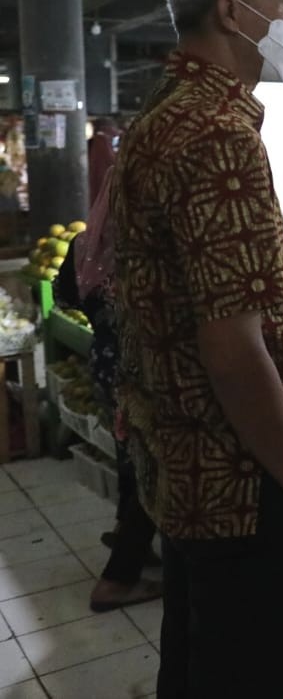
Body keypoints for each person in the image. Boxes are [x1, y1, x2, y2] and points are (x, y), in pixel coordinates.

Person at [111, 0, 283, 699]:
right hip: (247, 489)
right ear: (231, 13)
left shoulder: (158, 118)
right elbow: (233, 347)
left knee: (201, 669)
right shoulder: (217, 136)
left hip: (188, 475)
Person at [52, 170, 162, 613]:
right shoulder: (148, 247)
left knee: (129, 455)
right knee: (151, 469)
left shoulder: (86, 243)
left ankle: (125, 535)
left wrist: (103, 313)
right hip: (142, 371)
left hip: (103, 363)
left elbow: (65, 297)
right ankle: (118, 578)